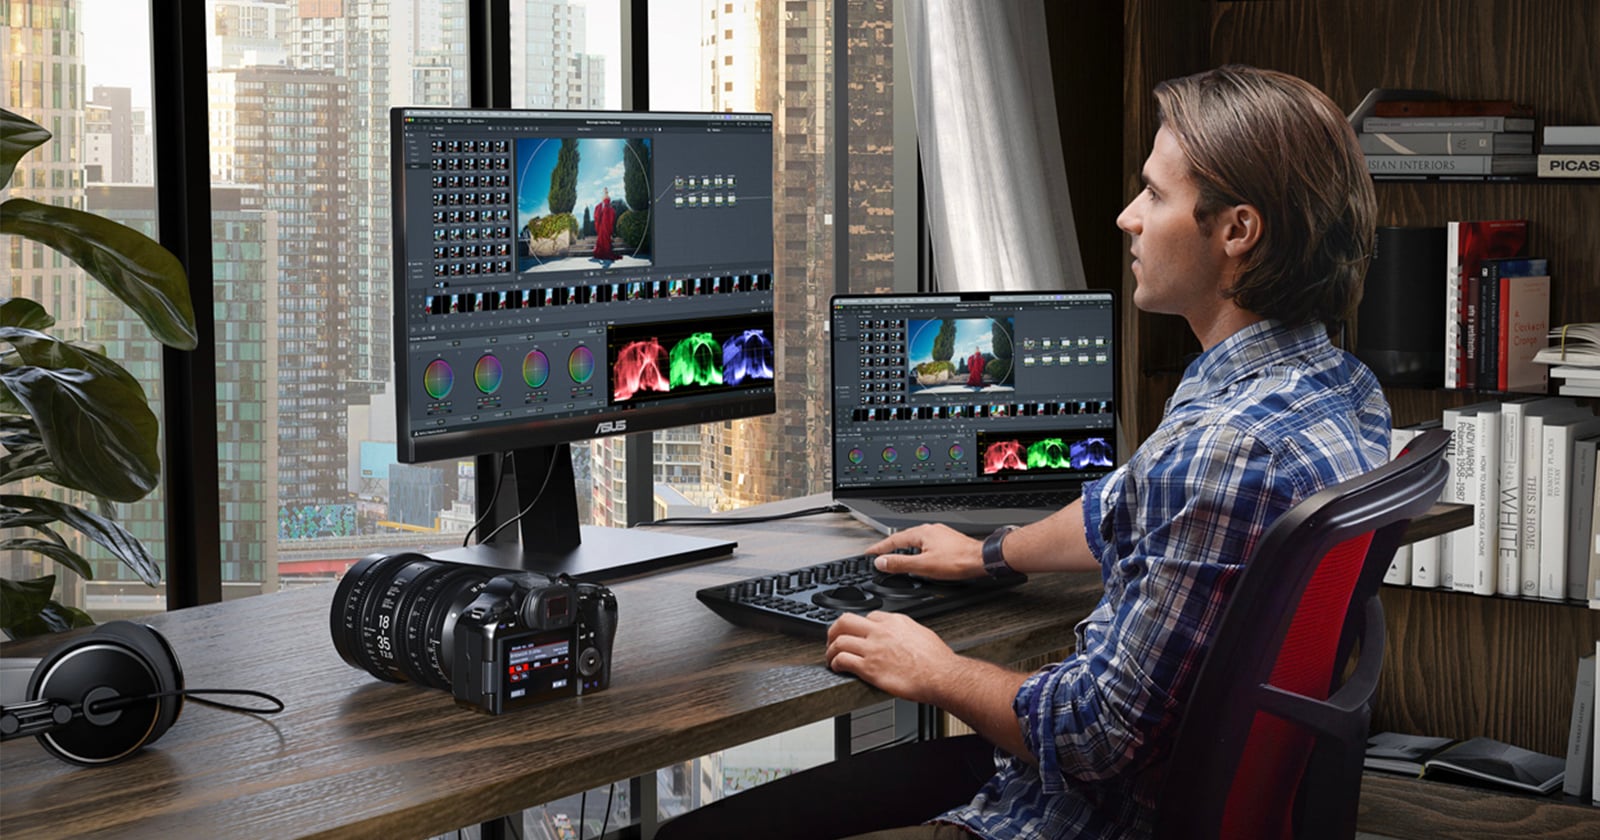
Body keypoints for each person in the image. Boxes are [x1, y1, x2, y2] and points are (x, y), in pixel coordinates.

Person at [658, 63, 1387, 840]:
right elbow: (1131, 502)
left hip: (1082, 814)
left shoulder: (1223, 446)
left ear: (1237, 231)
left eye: (1155, 194)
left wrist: (937, 670)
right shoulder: (1337, 390)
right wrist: (991, 555)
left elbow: (1097, 738)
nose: (1126, 217)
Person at [593, 187, 618, 261]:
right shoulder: (603, 197)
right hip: (604, 214)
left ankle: (607, 250)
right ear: (604, 191)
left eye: (606, 190)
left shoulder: (608, 197)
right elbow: (602, 205)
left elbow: (607, 204)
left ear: (607, 191)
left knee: (606, 233)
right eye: (605, 190)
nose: (606, 191)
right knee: (602, 233)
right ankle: (602, 250)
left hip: (607, 214)